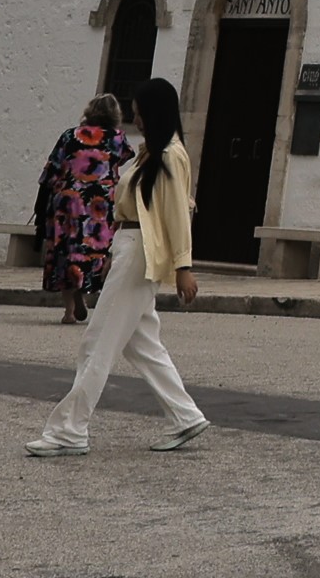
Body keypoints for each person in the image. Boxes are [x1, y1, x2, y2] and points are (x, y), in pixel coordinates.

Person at [25, 76, 210, 455]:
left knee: (99, 343)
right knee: (142, 345)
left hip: (141, 249)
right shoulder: (152, 152)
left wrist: (183, 265)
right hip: (131, 245)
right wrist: (114, 252)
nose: (136, 120)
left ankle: (69, 430)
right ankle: (185, 415)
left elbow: (176, 212)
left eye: (140, 113)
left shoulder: (169, 154)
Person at [31, 95, 130, 326]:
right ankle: (84, 288)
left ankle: (69, 311)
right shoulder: (117, 139)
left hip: (68, 202)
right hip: (99, 203)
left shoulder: (69, 135)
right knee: (96, 251)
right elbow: (122, 160)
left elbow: (51, 170)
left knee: (67, 251)